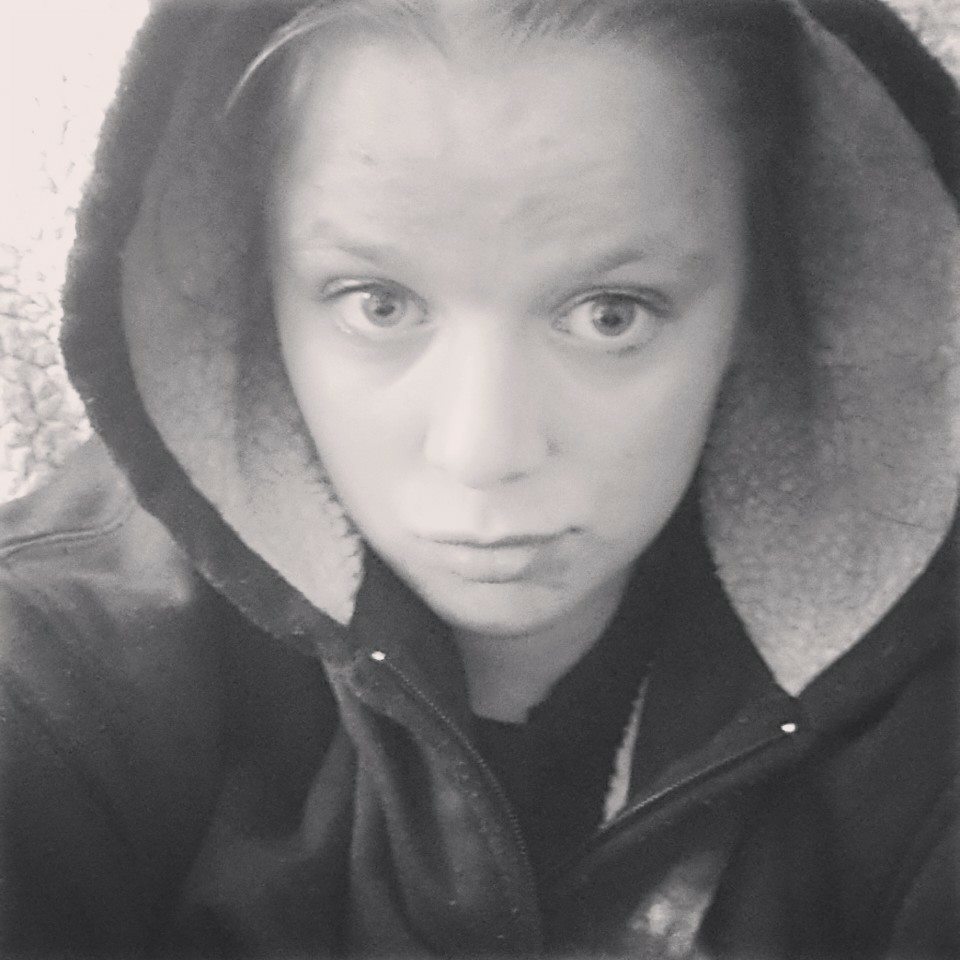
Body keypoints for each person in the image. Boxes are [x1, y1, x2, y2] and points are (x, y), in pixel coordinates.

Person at [1, 0, 958, 956]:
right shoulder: (58, 671)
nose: (482, 450)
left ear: (765, 298)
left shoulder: (923, 721)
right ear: (249, 282)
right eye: (378, 304)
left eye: (611, 314)